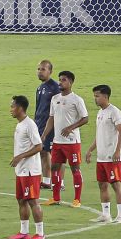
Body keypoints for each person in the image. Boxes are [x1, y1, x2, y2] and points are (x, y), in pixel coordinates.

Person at [41, 70, 88, 206]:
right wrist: (44, 135)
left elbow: (85, 118)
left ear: (71, 82)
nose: (60, 82)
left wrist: (70, 128)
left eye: (64, 80)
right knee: (54, 167)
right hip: (57, 141)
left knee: (75, 169)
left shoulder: (77, 100)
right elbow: (51, 118)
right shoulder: (55, 99)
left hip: (72, 142)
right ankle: (56, 198)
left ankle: (77, 199)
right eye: (60, 79)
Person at [86, 84, 121, 224]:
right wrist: (91, 149)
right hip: (101, 157)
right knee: (102, 184)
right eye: (94, 96)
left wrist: (117, 151)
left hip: (112, 157)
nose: (95, 99)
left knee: (116, 184)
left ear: (105, 96)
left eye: (97, 96)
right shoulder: (100, 113)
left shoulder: (114, 112)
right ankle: (106, 215)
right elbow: (99, 135)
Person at [9, 95, 45, 239]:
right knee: (21, 200)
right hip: (21, 170)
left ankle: (40, 233)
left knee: (32, 201)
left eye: (13, 106)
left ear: (20, 108)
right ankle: (24, 231)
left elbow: (39, 146)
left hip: (31, 170)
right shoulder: (20, 124)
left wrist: (19, 157)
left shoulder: (30, 125)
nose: (10, 109)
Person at [35, 60, 60, 190]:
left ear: (50, 71)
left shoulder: (55, 88)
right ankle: (46, 181)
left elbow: (59, 109)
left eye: (43, 69)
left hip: (51, 126)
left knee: (53, 154)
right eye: (39, 69)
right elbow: (38, 107)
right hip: (39, 125)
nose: (40, 72)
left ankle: (59, 182)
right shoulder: (40, 88)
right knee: (43, 152)